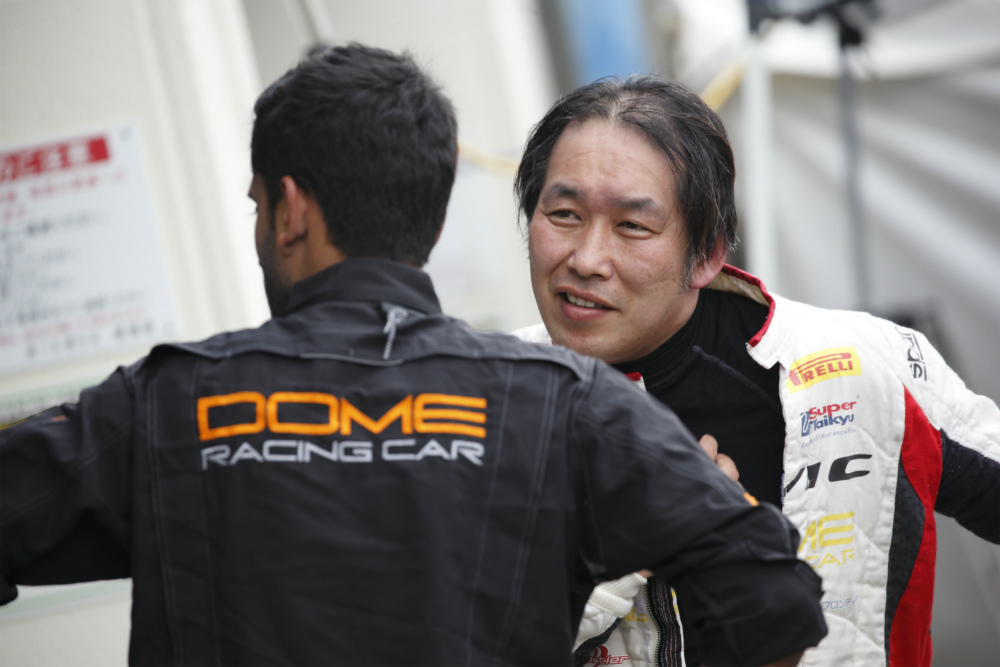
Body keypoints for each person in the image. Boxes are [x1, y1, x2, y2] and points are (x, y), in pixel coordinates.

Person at [0, 45, 827, 666]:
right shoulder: (568, 406)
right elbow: (775, 598)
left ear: (289, 210)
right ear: (428, 217)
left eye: (256, 205)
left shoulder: (163, 404)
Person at [512, 75, 1000, 667]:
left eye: (632, 225)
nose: (587, 260)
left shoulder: (859, 365)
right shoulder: (484, 400)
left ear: (709, 253)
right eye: (563, 214)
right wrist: (620, 540)